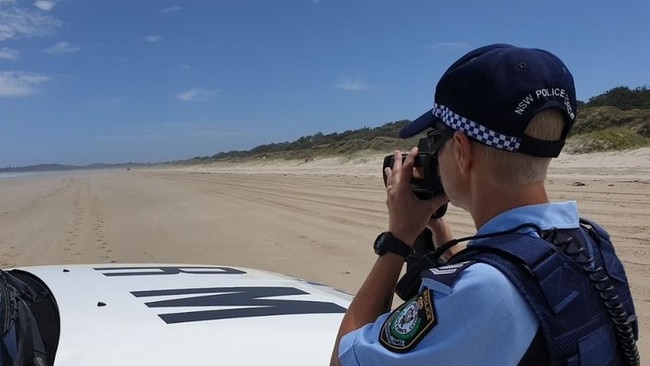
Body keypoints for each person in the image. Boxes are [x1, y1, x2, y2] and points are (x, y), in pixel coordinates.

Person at [330, 44, 639, 365]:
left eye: (436, 139)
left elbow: (342, 360)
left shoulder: (485, 291)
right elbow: (522, 274)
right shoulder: (590, 243)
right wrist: (436, 227)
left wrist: (398, 239)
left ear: (461, 150)